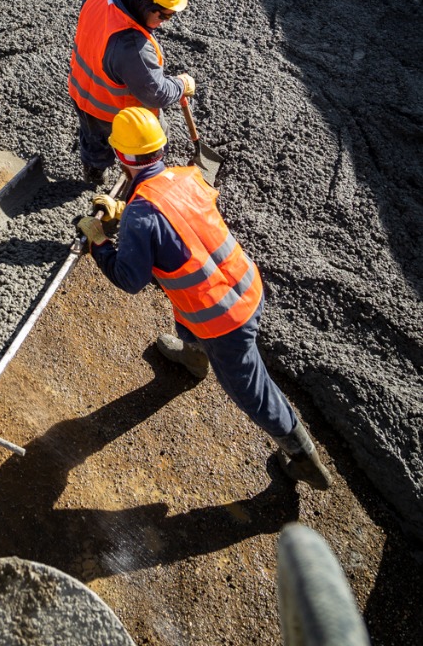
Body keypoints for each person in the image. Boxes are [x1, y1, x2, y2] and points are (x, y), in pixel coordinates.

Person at [76, 106, 332, 491]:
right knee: (186, 304)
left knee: (251, 389)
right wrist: (124, 214)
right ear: (161, 147)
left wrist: (100, 242)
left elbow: (130, 279)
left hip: (223, 319)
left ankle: (303, 456)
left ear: (120, 156)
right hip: (246, 283)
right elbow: (173, 226)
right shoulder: (187, 177)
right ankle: (194, 357)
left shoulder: (140, 218)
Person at [68, 0, 195, 186]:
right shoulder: (132, 47)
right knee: (152, 147)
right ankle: (143, 185)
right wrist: (181, 84)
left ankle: (93, 177)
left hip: (82, 94)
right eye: (164, 15)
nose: (165, 22)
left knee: (93, 141)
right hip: (117, 113)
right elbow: (156, 94)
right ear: (146, 4)